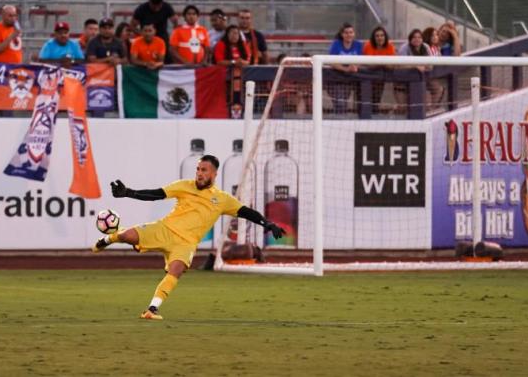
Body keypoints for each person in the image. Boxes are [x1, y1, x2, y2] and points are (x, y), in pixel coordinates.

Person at [91, 155, 286, 320]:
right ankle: (107, 240)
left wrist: (267, 223)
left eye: (204, 170)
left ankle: (152, 309)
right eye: (198, 169)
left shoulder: (223, 199)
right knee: (127, 236)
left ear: (214, 174)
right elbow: (156, 194)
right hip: (164, 229)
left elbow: (247, 212)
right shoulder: (184, 186)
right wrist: (128, 193)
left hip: (186, 243)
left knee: (176, 270)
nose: (200, 173)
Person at [214, 25, 250, 118]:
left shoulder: (243, 45)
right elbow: (219, 61)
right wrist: (234, 62)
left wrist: (243, 62)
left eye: (236, 33)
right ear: (227, 34)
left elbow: (248, 60)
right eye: (232, 33)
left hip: (242, 78)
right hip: (224, 79)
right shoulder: (221, 44)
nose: (234, 35)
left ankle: (241, 114)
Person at [328, 22, 363, 114]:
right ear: (342, 34)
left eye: (351, 32)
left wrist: (355, 66)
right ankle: (340, 119)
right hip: (336, 77)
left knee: (344, 101)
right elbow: (332, 61)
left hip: (351, 77)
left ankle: (342, 118)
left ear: (354, 34)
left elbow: (363, 60)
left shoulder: (359, 45)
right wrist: (346, 69)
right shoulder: (336, 44)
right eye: (346, 32)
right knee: (340, 102)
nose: (349, 35)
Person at [394, 29, 431, 112]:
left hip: (421, 83)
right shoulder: (404, 48)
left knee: (426, 107)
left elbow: (431, 65)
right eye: (414, 37)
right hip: (401, 83)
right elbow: (399, 65)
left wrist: (424, 66)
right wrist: (415, 66)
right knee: (403, 109)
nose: (417, 39)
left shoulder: (426, 47)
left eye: (419, 37)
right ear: (410, 39)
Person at [362, 26, 395, 114]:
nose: (380, 38)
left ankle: (375, 111)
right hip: (368, 74)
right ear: (374, 37)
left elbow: (392, 65)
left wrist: (379, 63)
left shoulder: (390, 46)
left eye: (382, 35)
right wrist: (383, 62)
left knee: (377, 94)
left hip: (382, 75)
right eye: (377, 36)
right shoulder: (368, 45)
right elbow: (368, 64)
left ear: (385, 36)